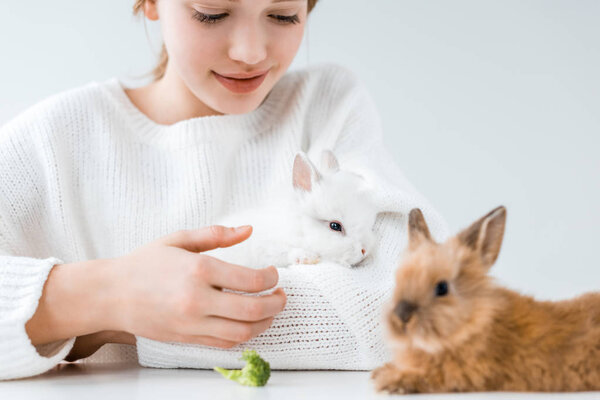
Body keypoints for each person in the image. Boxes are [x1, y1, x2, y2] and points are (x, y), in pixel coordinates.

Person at [0, 0, 450, 380]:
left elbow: (418, 308)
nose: (251, 52)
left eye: (284, 15)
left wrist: (102, 326)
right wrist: (114, 295)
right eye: (212, 13)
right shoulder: (49, 142)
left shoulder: (326, 105)